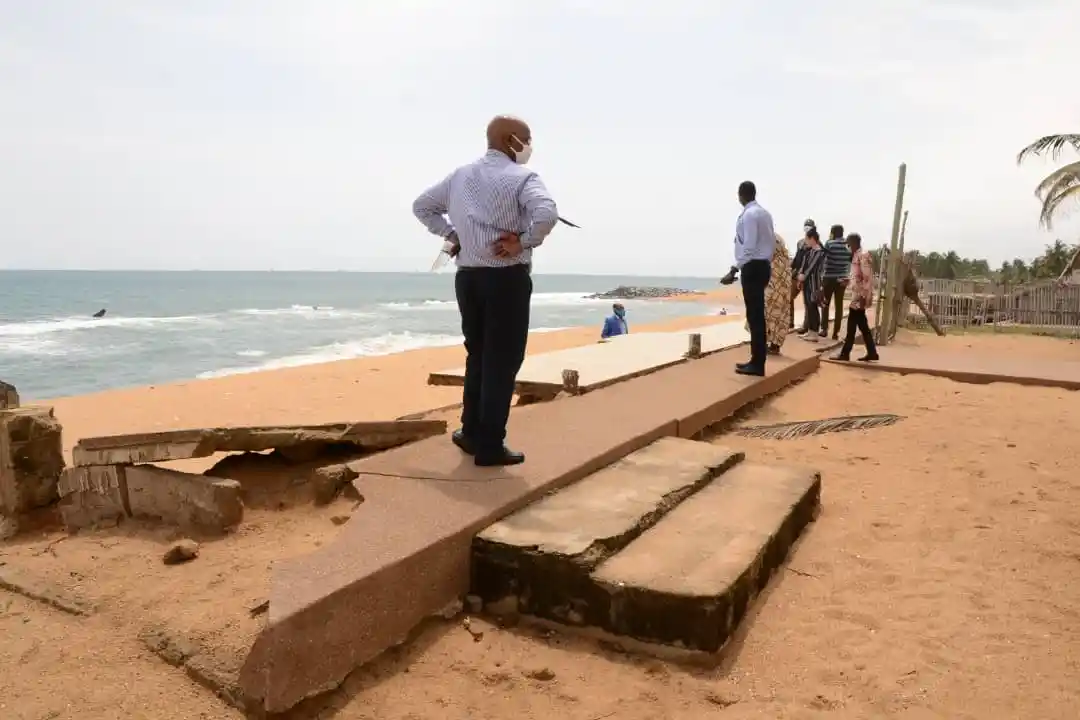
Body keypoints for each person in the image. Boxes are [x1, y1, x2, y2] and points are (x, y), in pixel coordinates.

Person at [412, 115, 559, 466]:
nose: (529, 145)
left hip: (469, 279)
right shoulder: (522, 177)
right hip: (506, 278)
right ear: (510, 140)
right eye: (526, 138)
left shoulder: (461, 176)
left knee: (477, 356)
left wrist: (453, 235)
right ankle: (490, 445)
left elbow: (422, 206)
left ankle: (471, 432)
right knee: (502, 362)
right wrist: (522, 242)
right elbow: (547, 213)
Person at [732, 180, 776, 376]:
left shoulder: (749, 215)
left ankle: (758, 363)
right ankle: (756, 359)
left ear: (741, 195)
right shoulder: (765, 214)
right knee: (757, 315)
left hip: (753, 266)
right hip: (763, 265)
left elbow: (748, 246)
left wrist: (734, 268)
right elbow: (771, 243)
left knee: (755, 316)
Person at [833, 233, 879, 362]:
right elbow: (857, 277)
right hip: (857, 295)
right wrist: (848, 281)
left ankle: (845, 353)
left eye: (848, 244)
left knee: (852, 326)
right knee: (862, 326)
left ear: (854, 243)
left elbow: (867, 278)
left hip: (860, 297)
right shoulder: (856, 256)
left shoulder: (863, 256)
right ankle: (872, 352)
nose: (847, 247)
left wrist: (863, 296)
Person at [746, 233, 792, 355]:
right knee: (780, 315)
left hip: (772, 286)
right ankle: (774, 345)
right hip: (782, 287)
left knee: (765, 312)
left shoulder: (772, 259)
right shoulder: (785, 260)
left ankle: (763, 344)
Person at [820, 223, 853, 340]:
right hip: (842, 279)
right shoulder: (848, 245)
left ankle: (824, 329)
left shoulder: (829, 243)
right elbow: (850, 260)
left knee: (825, 303)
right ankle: (836, 332)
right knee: (839, 305)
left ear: (833, 233)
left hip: (829, 277)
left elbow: (823, 257)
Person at [796, 229, 825, 342]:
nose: (806, 241)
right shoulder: (809, 251)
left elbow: (812, 267)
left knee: (813, 307)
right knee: (808, 306)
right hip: (807, 282)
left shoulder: (820, 252)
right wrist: (800, 276)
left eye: (807, 239)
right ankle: (810, 331)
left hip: (815, 283)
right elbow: (804, 264)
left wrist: (804, 275)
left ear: (812, 238)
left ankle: (815, 332)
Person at [790, 219, 814, 330]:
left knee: (808, 302)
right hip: (796, 275)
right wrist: (791, 269)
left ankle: (806, 326)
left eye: (809, 226)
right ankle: (790, 322)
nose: (807, 228)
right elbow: (797, 258)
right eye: (806, 226)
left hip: (809, 276)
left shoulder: (816, 244)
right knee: (789, 297)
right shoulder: (800, 242)